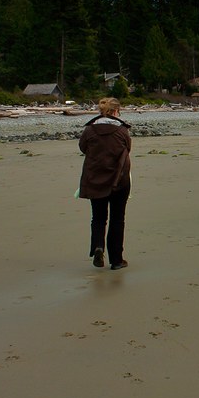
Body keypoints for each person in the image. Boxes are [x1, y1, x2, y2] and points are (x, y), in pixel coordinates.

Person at [78, 97, 132, 270]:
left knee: (98, 217)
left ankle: (98, 247)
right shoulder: (122, 130)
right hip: (119, 179)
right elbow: (128, 148)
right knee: (117, 219)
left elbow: (82, 148)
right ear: (116, 111)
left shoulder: (89, 130)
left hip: (95, 178)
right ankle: (116, 260)